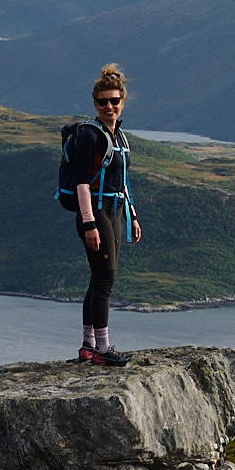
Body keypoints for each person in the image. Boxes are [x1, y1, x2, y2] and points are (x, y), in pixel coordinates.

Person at [72, 64, 143, 365]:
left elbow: (123, 182)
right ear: (95, 104)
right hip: (96, 211)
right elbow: (81, 182)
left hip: (115, 211)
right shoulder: (91, 136)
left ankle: (88, 345)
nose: (109, 106)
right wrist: (89, 222)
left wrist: (133, 216)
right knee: (105, 279)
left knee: (98, 278)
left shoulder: (121, 137)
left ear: (122, 101)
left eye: (114, 101)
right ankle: (102, 346)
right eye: (103, 102)